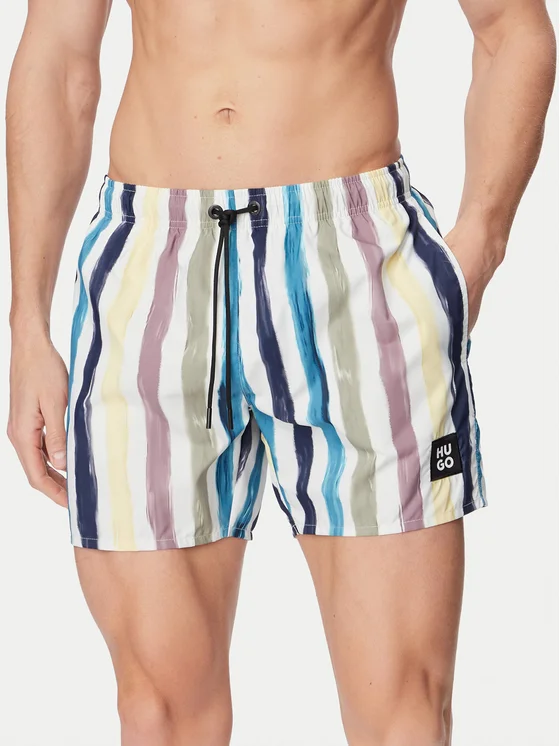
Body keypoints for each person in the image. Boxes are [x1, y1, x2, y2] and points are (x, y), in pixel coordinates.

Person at [6, 0, 555, 744]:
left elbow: (510, 27)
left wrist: (480, 246)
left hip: (355, 259)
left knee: (402, 709)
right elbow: (59, 58)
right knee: (158, 711)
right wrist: (28, 325)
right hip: (150, 264)